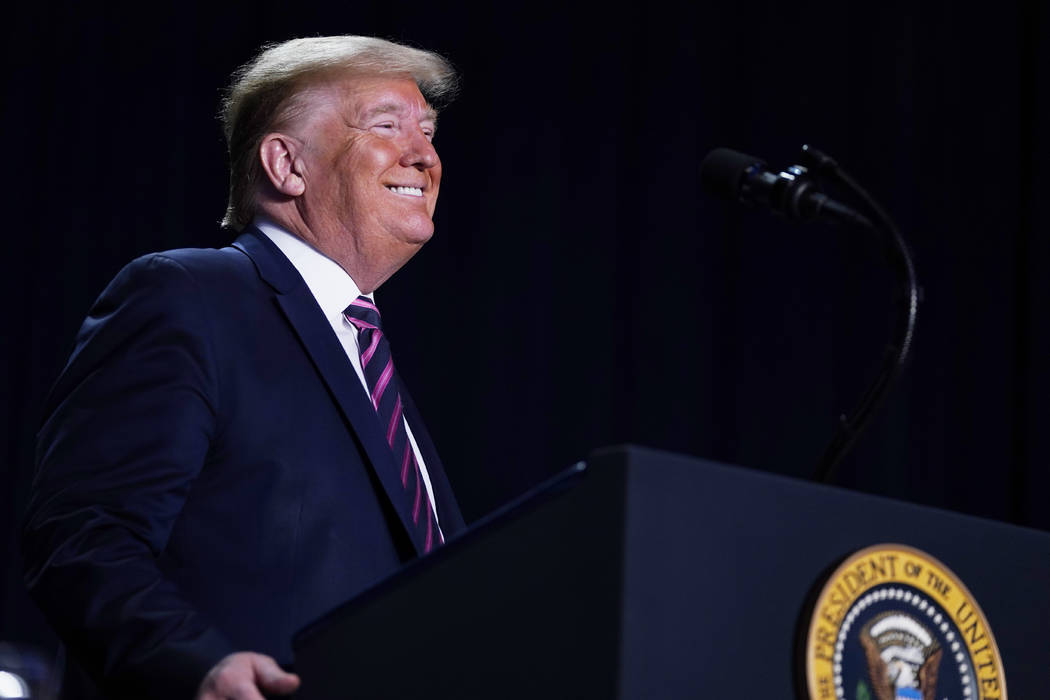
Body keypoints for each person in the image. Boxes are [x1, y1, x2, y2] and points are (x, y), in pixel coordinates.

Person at [21, 36, 466, 700]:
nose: (424, 155)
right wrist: (196, 665)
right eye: (385, 125)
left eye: (428, 132)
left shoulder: (368, 360)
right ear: (286, 164)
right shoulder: (189, 297)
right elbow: (84, 537)